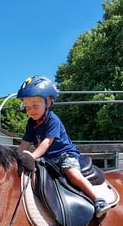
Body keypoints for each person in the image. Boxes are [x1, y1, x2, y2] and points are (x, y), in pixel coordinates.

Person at [17, 75, 111, 217]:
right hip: (48, 159)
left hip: (65, 155)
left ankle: (98, 199)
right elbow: (25, 142)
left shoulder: (53, 120)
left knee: (71, 172)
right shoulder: (31, 123)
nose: (31, 111)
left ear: (48, 101)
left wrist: (32, 155)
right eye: (27, 107)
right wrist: (16, 155)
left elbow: (47, 142)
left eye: (35, 105)